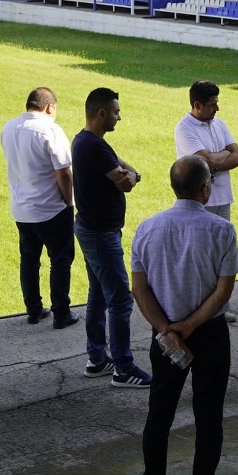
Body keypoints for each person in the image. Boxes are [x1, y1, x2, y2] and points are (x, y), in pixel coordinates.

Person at [133, 156, 238, 475]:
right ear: (205, 189)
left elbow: (140, 290)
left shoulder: (147, 228)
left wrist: (166, 329)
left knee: (159, 411)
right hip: (208, 333)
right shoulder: (221, 230)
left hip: (164, 336)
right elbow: (223, 292)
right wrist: (190, 326)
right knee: (208, 413)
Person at [73, 86, 151, 387]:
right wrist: (132, 177)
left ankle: (96, 358)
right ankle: (123, 368)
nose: (120, 117)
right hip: (100, 235)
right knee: (119, 299)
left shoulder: (91, 142)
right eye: (116, 112)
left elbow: (125, 168)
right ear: (101, 113)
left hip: (92, 230)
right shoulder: (94, 146)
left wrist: (132, 174)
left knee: (98, 294)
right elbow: (126, 180)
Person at [1, 88, 77, 328]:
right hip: (51, 209)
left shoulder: (8, 128)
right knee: (61, 260)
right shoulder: (51, 130)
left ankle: (34, 310)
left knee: (29, 260)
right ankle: (61, 313)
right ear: (49, 107)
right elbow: (64, 171)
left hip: (22, 209)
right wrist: (69, 200)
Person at [174, 80, 238, 221]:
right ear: (197, 105)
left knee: (222, 239)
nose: (217, 108)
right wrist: (226, 152)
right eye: (212, 104)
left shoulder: (220, 124)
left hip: (223, 198)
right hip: (199, 201)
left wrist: (213, 164)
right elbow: (207, 160)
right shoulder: (184, 128)